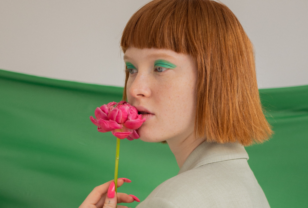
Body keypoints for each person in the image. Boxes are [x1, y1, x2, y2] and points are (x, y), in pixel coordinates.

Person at [79, 0, 274, 207]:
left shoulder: (172, 200)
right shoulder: (242, 184)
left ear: (216, 78)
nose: (135, 89)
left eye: (160, 68)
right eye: (132, 68)